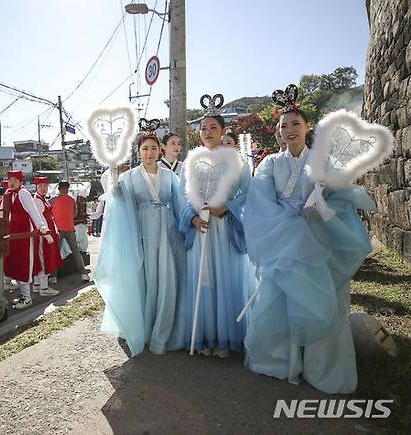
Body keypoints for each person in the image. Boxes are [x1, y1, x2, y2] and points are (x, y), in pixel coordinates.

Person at [243, 84, 373, 394]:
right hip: (284, 245)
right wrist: (289, 221)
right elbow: (259, 203)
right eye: (283, 126)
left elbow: (343, 196)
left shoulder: (323, 160)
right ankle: (281, 361)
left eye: (295, 124)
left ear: (307, 126)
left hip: (319, 243)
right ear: (278, 132)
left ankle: (322, 368)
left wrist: (323, 205)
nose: (290, 130)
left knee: (324, 302)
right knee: (279, 301)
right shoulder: (270, 164)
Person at [95, 120, 187, 356]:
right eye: (145, 148)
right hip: (142, 234)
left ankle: (164, 326)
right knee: (145, 278)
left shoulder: (170, 176)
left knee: (167, 277)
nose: (150, 152)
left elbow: (180, 204)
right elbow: (121, 204)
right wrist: (115, 188)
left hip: (168, 232)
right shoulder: (129, 176)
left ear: (160, 150)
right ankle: (143, 327)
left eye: (154, 148)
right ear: (138, 152)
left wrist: (189, 223)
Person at [175, 95, 252, 357]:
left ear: (223, 131)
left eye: (213, 128)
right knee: (202, 281)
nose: (208, 132)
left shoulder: (235, 161)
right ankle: (205, 336)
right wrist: (192, 217)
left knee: (225, 280)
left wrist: (228, 206)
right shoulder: (190, 162)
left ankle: (225, 339)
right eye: (203, 128)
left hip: (224, 228)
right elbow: (181, 197)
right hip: (201, 229)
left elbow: (247, 193)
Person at [3, 170, 50, 309]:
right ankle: (23, 295)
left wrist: (41, 226)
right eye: (9, 180)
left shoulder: (24, 193)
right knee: (13, 262)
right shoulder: (8, 193)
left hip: (24, 233)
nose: (11, 182)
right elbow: (2, 210)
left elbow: (33, 211)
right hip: (12, 231)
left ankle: (27, 298)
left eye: (14, 180)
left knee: (24, 262)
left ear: (20, 182)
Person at [51, 181, 90, 281]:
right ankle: (83, 273)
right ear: (68, 189)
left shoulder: (53, 200)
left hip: (58, 229)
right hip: (70, 228)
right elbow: (74, 214)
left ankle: (53, 276)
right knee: (76, 251)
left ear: (59, 189)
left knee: (56, 253)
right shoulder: (72, 200)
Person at [32, 176, 62, 297]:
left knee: (41, 257)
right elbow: (40, 219)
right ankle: (43, 287)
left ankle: (37, 285)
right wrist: (47, 233)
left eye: (45, 186)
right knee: (44, 258)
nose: (43, 188)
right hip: (44, 234)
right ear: (36, 187)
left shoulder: (41, 199)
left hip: (45, 232)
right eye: (40, 186)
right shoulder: (38, 200)